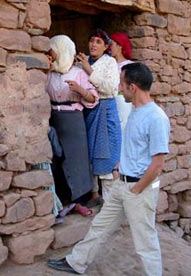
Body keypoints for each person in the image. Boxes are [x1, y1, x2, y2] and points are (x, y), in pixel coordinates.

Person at [47, 62, 171, 276]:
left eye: (122, 84)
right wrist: (118, 167)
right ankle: (76, 263)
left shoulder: (156, 117)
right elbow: (135, 148)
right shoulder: (136, 111)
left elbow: (158, 165)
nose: (119, 88)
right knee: (99, 227)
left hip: (138, 189)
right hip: (122, 185)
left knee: (146, 242)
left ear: (133, 87)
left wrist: (136, 190)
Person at [46, 35, 99, 217]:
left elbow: (93, 98)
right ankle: (61, 199)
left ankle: (78, 200)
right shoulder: (49, 72)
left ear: (62, 51)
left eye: (53, 48)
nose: (50, 52)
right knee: (56, 157)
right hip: (53, 118)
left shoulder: (77, 73)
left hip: (73, 120)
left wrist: (80, 90)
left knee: (75, 159)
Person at [76, 29, 122, 204]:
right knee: (89, 152)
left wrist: (89, 71)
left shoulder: (109, 63)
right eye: (92, 41)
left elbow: (111, 88)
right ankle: (94, 195)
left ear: (105, 47)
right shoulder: (83, 61)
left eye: (98, 42)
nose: (93, 44)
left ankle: (111, 202)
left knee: (106, 152)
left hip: (105, 110)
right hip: (88, 110)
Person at [110, 32, 134, 133]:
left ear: (119, 46)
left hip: (122, 101)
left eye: (112, 45)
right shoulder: (108, 64)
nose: (109, 48)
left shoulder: (129, 66)